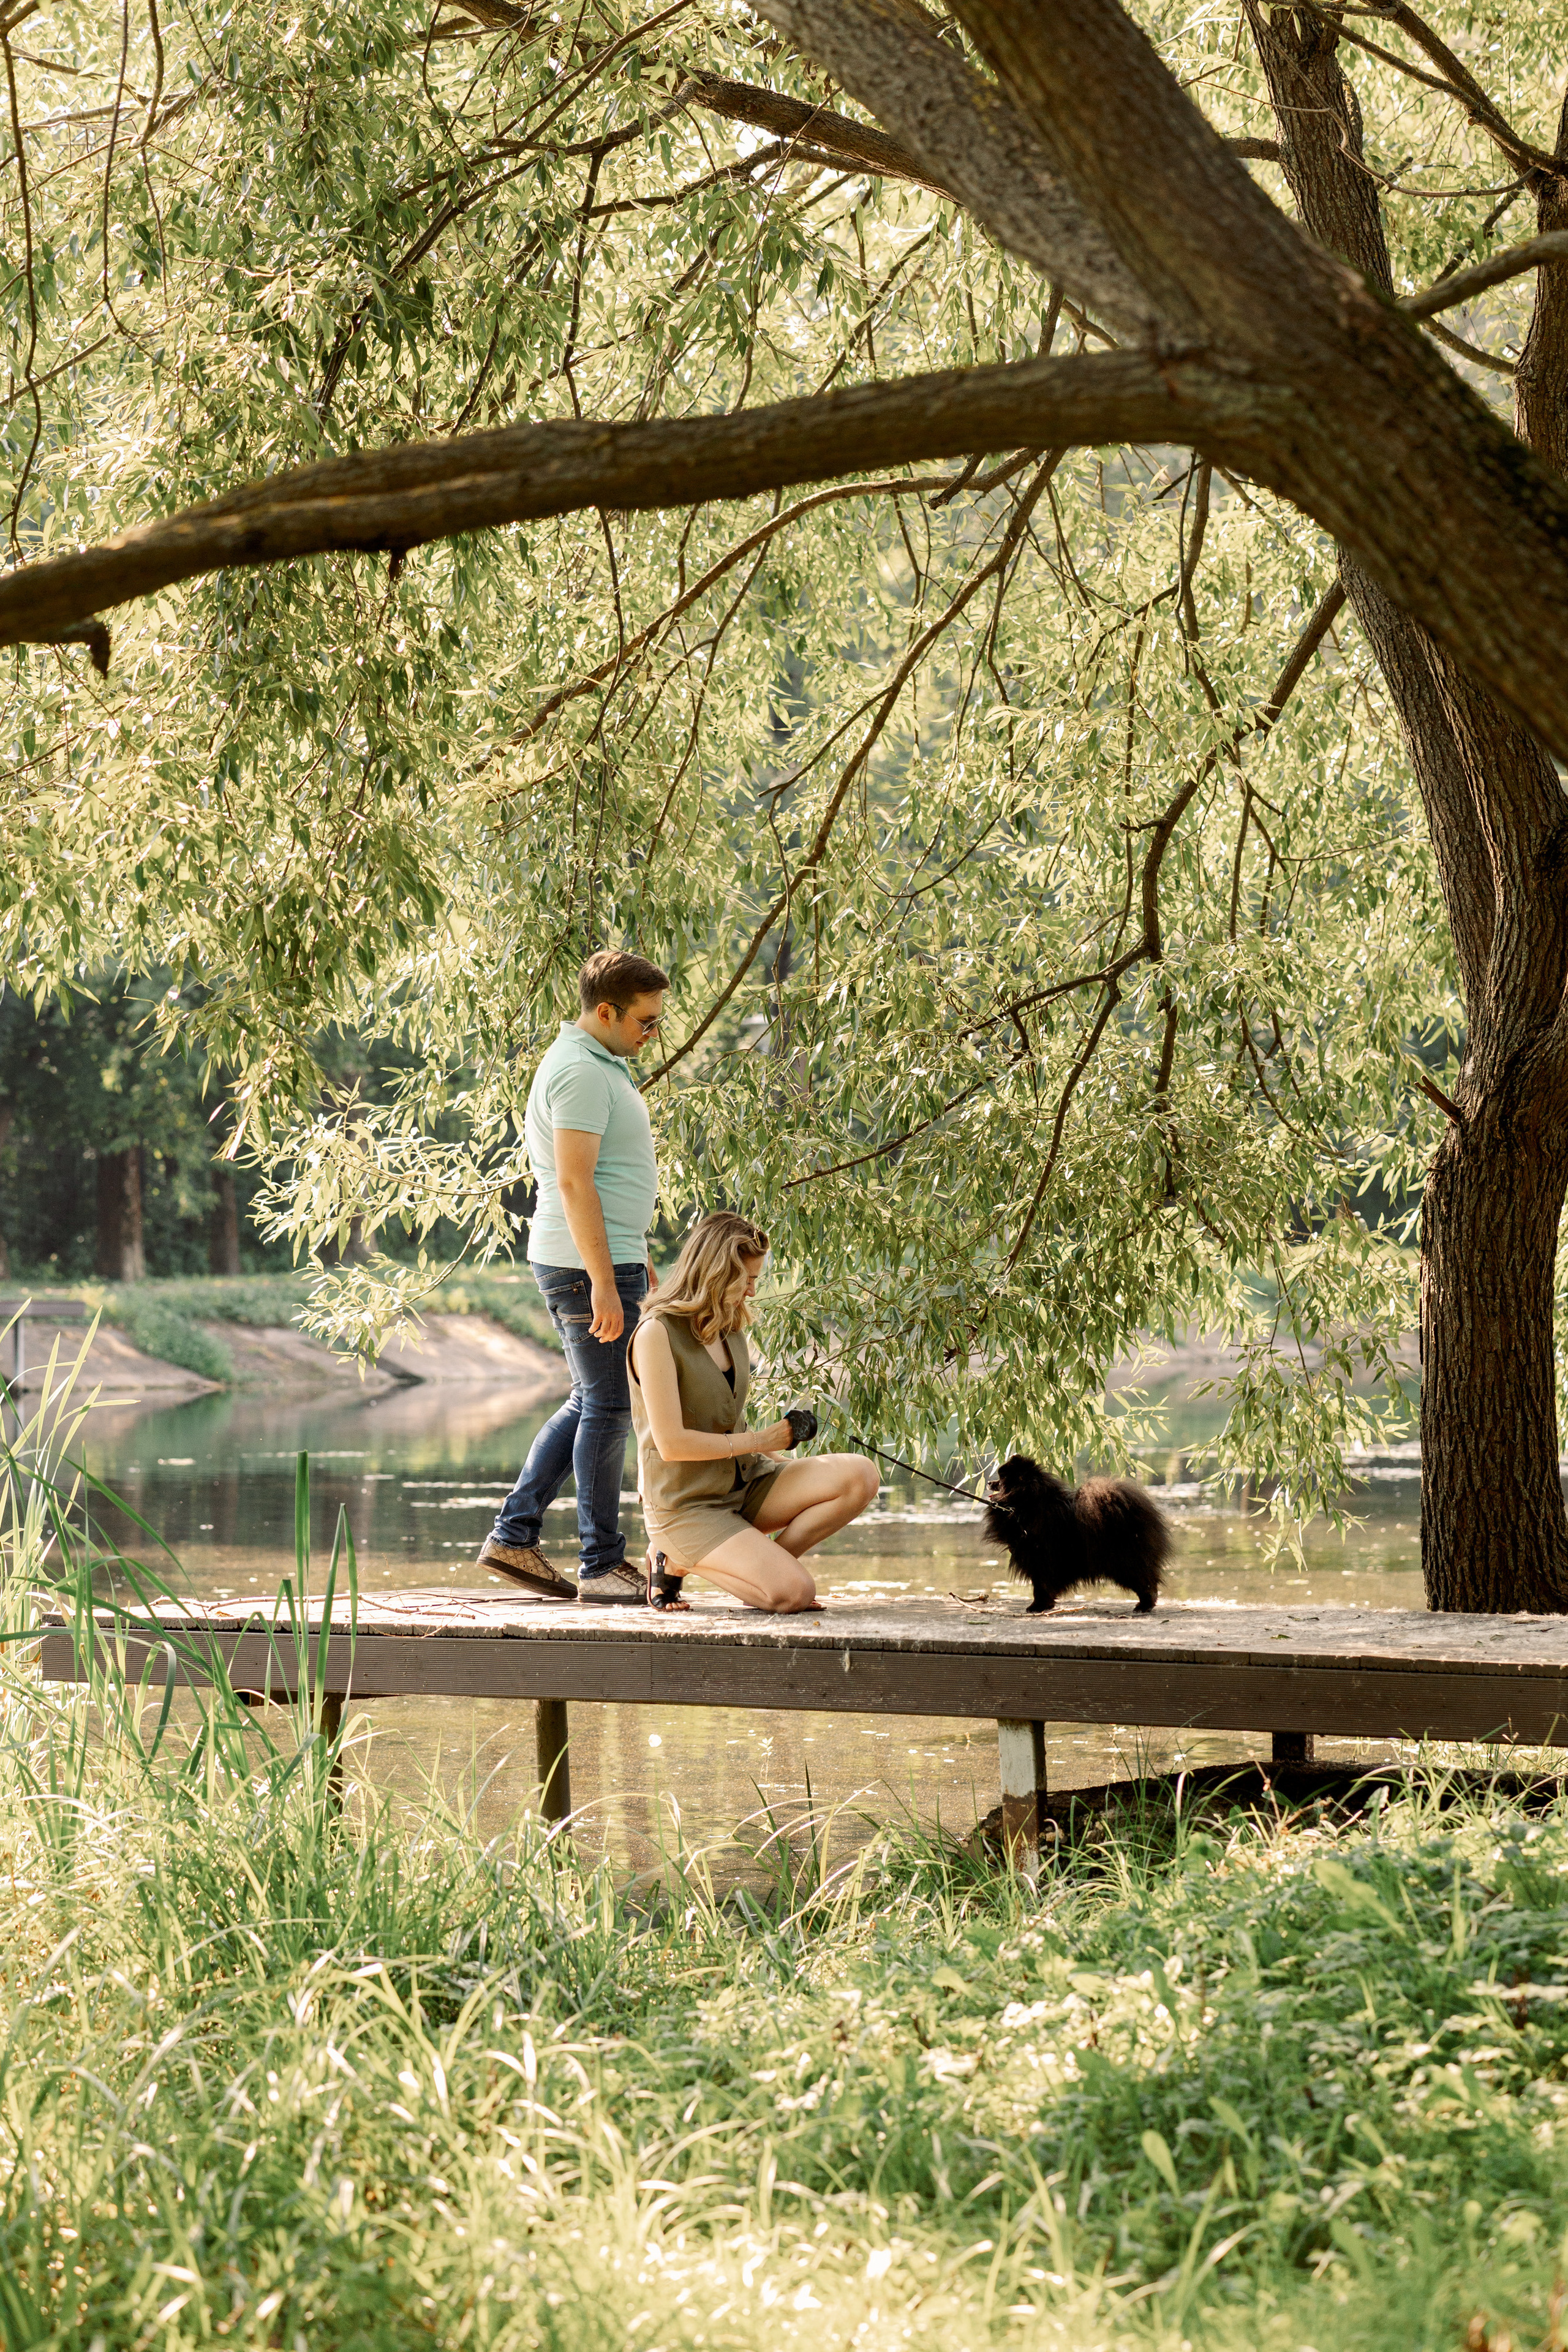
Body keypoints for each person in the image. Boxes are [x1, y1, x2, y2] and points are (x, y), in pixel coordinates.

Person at [477, 948, 669, 1603]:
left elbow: (605, 1178)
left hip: (604, 1253)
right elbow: (572, 1180)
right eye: (645, 1021)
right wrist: (603, 1281)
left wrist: (628, 1247)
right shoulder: (580, 1072)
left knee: (592, 1400)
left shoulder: (599, 1063)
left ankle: (514, 1538)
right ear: (607, 1011)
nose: (653, 1033)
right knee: (609, 1405)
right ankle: (600, 1563)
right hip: (584, 1263)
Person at [627, 1211, 879, 1613]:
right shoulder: (656, 1333)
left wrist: (769, 1452)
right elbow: (671, 1445)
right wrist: (763, 1439)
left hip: (744, 1483)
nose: (750, 1291)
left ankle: (766, 1566)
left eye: (755, 1280)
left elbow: (728, 1420)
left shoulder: (730, 1327)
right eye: (744, 1279)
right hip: (687, 1505)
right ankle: (673, 1557)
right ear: (713, 1271)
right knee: (794, 1595)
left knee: (860, 1475)